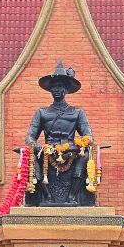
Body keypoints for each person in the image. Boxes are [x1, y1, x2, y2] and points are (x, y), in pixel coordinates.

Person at [24, 59, 95, 207]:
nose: (57, 90)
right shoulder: (42, 113)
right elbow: (30, 136)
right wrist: (34, 144)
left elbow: (88, 135)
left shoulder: (77, 112)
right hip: (48, 152)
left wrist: (80, 144)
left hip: (71, 151)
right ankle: (46, 195)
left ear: (67, 90)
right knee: (31, 157)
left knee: (87, 156)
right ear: (50, 90)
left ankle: (72, 196)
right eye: (54, 87)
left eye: (61, 86)